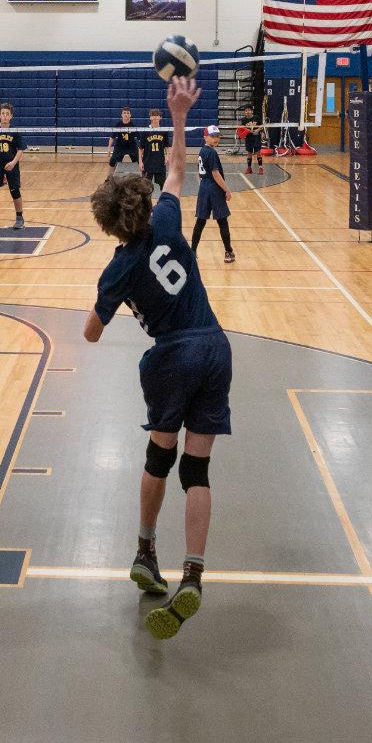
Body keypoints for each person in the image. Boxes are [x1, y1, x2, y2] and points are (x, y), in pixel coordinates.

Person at [85, 76, 230, 642]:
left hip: (171, 358)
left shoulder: (118, 267)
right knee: (198, 470)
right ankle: (192, 573)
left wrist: (113, 297)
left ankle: (146, 550)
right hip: (215, 347)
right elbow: (175, 166)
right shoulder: (167, 219)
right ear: (143, 204)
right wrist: (177, 115)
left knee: (157, 459)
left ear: (106, 224)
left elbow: (92, 334)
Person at [191, 125, 236, 264]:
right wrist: (226, 190)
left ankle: (192, 252)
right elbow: (216, 174)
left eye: (217, 136)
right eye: (213, 136)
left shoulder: (202, 151)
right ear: (205, 137)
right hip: (214, 188)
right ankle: (228, 251)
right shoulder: (211, 152)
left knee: (201, 220)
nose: (216, 139)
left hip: (204, 187)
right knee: (222, 221)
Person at [0, 102, 26, 230]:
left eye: (7, 114)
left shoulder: (15, 131)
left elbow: (21, 149)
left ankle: (19, 217)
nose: (5, 116)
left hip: (11, 163)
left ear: (11, 116)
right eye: (3, 114)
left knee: (15, 190)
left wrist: (13, 162)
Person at [141, 108, 169, 192]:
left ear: (160, 118)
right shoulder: (145, 131)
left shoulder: (164, 131)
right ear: (150, 117)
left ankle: (162, 203)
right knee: (145, 187)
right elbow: (141, 148)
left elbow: (167, 146)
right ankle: (146, 204)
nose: (155, 118)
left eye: (157, 116)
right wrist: (140, 161)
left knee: (163, 185)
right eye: (153, 116)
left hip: (160, 162)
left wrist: (167, 156)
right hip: (147, 162)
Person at [106, 107, 140, 172]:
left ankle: (142, 178)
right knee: (112, 162)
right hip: (120, 145)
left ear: (130, 115)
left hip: (131, 145)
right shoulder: (118, 125)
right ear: (121, 115)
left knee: (139, 161)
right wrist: (109, 148)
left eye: (128, 113)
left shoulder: (133, 126)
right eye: (124, 113)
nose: (126, 115)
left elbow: (139, 138)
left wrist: (142, 148)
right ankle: (109, 179)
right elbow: (112, 137)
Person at [240, 105, 264, 175]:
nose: (247, 112)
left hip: (256, 137)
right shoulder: (243, 120)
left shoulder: (256, 117)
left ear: (252, 111)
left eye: (249, 110)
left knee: (258, 153)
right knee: (249, 153)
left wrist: (257, 131)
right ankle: (249, 168)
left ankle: (260, 168)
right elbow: (243, 129)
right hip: (249, 138)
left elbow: (261, 126)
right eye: (246, 111)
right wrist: (248, 131)